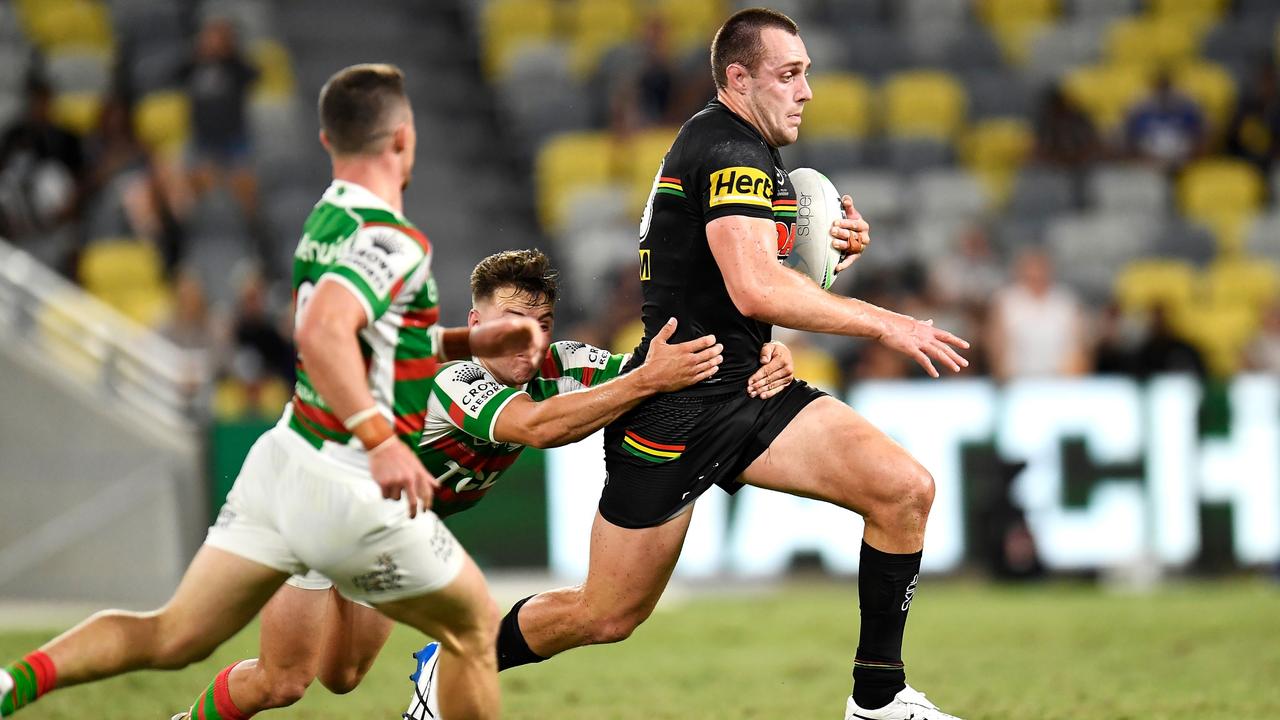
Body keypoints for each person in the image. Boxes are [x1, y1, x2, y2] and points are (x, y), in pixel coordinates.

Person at [410, 9, 970, 720]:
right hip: (674, 404)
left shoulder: (744, 152)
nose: (806, 91)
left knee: (903, 491)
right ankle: (456, 660)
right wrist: (889, 323)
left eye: (807, 74)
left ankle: (878, 698)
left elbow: (751, 282)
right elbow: (755, 286)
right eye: (789, 74)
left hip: (751, 386)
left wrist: (826, 263)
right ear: (739, 77)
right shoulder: (729, 151)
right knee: (605, 615)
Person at [0, 63, 540, 720]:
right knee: (475, 628)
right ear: (403, 139)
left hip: (285, 458)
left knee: (190, 643)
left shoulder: (326, 217)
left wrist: (470, 344)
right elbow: (320, 329)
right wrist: (380, 439)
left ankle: (11, 687)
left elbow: (374, 336)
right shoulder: (392, 241)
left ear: (326, 141)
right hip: (347, 480)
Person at [168, 247, 755, 718]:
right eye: (512, 322)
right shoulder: (452, 381)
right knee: (283, 682)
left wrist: (760, 368)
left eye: (542, 323)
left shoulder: (563, 365)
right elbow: (537, 427)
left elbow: (658, 375)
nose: (529, 338)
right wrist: (646, 381)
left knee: (342, 679)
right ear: (475, 324)